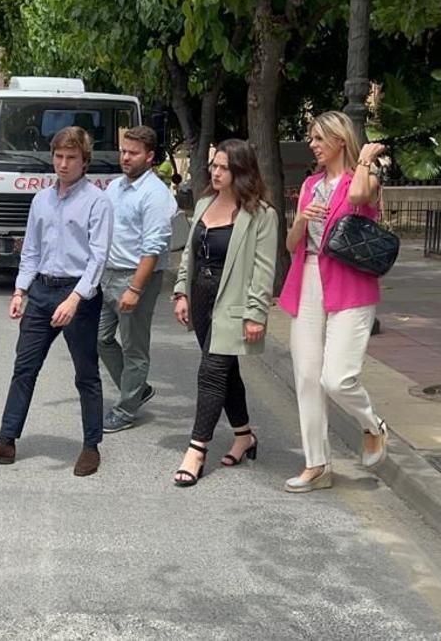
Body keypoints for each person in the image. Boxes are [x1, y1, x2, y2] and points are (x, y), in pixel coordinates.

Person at [0, 126, 114, 477]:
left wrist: (76, 298)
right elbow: (31, 250)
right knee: (24, 368)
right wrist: (20, 291)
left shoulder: (98, 202)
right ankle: (6, 440)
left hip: (79, 294)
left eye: (71, 158)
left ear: (85, 161)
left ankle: (91, 445)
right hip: (42, 293)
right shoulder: (41, 200)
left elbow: (98, 258)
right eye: (59, 156)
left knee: (86, 374)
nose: (63, 164)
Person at [279, 111, 388, 493]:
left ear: (340, 139)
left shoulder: (366, 177)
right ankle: (317, 465)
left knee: (337, 379)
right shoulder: (309, 185)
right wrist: (301, 219)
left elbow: (358, 196)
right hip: (308, 277)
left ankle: (373, 426)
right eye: (311, 138)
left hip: (350, 284)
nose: (313, 145)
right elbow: (293, 246)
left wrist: (364, 160)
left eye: (319, 138)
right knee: (307, 377)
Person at [171, 139, 278, 487]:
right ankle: (244, 436)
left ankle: (196, 449)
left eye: (223, 168)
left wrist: (255, 314)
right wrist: (181, 293)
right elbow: (190, 254)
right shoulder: (204, 203)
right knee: (226, 373)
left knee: (211, 372)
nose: (215, 172)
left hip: (233, 303)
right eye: (214, 166)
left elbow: (263, 270)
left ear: (241, 172)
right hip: (201, 298)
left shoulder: (261, 215)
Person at [98, 126, 178, 432]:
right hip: (108, 275)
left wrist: (135, 288)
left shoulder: (154, 194)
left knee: (134, 347)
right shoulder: (115, 187)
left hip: (135, 277)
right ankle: (137, 389)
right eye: (123, 151)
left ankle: (127, 409)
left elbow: (153, 248)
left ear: (150, 157)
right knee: (99, 338)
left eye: (133, 153)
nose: (126, 157)